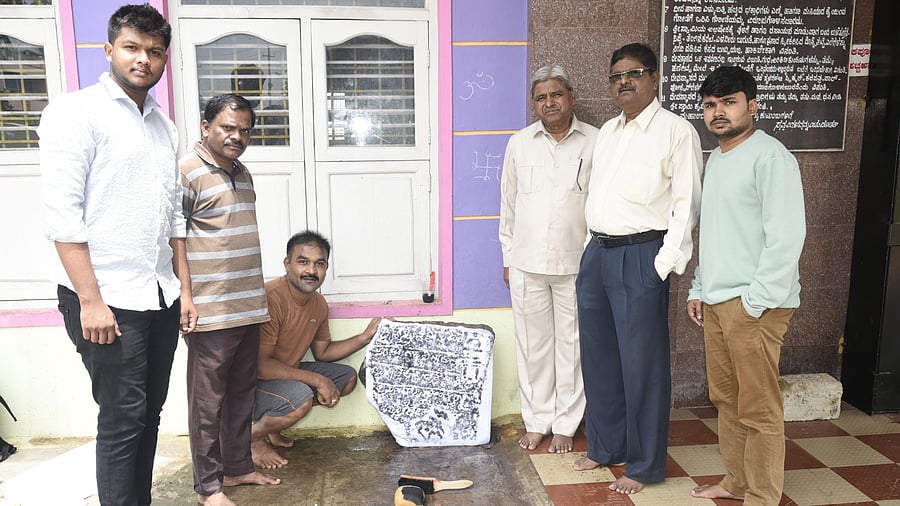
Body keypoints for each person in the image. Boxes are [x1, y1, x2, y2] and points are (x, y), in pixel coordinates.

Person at [39, 4, 197, 505]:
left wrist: (184, 292)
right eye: (131, 48)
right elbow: (63, 216)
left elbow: (173, 218)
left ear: (164, 60)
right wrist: (90, 299)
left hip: (158, 296)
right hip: (104, 298)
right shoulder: (75, 112)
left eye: (154, 52)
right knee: (122, 417)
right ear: (109, 51)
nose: (143, 60)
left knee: (148, 413)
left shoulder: (163, 127)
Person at [574, 42, 703, 495]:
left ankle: (645, 464)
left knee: (643, 365)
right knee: (599, 358)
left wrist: (662, 266)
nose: (623, 81)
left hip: (641, 257)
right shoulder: (608, 131)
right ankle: (606, 446)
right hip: (598, 255)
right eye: (615, 76)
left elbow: (687, 203)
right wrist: (590, 248)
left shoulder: (676, 131)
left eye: (634, 73)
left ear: (654, 78)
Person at [687, 66, 806, 506]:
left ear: (752, 106)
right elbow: (715, 233)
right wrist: (698, 285)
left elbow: (788, 236)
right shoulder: (716, 158)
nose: (718, 113)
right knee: (727, 400)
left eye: (729, 102)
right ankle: (736, 481)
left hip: (754, 305)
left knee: (758, 408)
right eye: (710, 105)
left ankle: (762, 495)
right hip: (718, 303)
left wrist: (755, 302)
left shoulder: (770, 156)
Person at [180, 94, 281, 505]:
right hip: (210, 309)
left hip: (248, 305)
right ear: (206, 127)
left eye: (244, 130)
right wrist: (186, 297)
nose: (236, 137)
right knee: (208, 404)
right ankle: (208, 487)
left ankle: (238, 468)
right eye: (227, 128)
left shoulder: (244, 173)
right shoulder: (186, 172)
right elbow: (172, 242)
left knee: (242, 394)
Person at [499, 65, 597, 454]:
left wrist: (593, 260)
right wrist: (508, 255)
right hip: (525, 264)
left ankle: (566, 424)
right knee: (533, 347)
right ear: (533, 104)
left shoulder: (596, 141)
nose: (549, 102)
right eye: (541, 97)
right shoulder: (519, 143)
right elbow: (507, 205)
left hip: (576, 265)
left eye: (556, 94)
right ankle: (537, 420)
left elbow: (600, 205)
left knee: (572, 348)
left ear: (571, 97)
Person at [250, 231, 381, 469]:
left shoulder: (319, 304)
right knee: (301, 398)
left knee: (347, 378)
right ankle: (249, 439)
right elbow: (262, 365)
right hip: (251, 382)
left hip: (286, 373)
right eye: (303, 262)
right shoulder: (271, 298)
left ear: (326, 268)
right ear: (287, 264)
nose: (311, 270)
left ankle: (274, 425)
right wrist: (317, 380)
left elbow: (323, 352)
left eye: (319, 264)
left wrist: (364, 337)